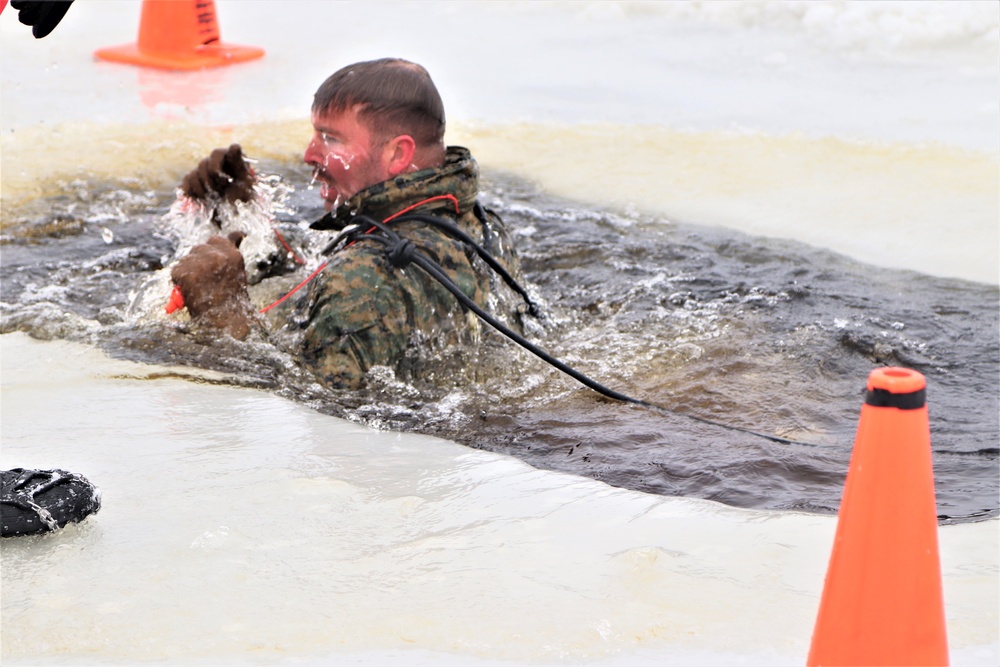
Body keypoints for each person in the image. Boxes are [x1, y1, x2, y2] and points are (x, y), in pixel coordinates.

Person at [170, 58, 525, 389]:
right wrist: (242, 216)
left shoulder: (364, 276)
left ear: (398, 154)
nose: (308, 154)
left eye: (330, 138)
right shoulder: (481, 224)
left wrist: (222, 313)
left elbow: (318, 404)